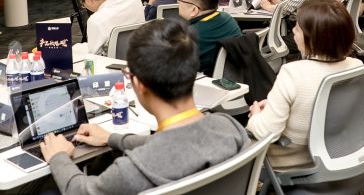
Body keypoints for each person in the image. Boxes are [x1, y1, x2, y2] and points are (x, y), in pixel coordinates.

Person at [41, 18, 249, 194]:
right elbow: (176, 143)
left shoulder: (132, 170)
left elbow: (79, 190)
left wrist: (59, 156)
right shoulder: (230, 127)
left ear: (139, 84)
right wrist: (112, 138)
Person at [246, 0, 361, 168]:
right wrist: (273, 104)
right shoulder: (357, 66)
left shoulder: (292, 73)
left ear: (314, 39)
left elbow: (267, 133)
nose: (293, 31)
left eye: (298, 28)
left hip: (295, 157)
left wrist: (256, 116)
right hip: (342, 149)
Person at [177, 0, 241, 76]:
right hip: (235, 79)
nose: (178, 1)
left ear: (194, 10)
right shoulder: (228, 18)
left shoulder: (190, 36)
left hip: (201, 82)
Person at [72, 0, 145, 55]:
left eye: (83, 4)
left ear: (87, 0)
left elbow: (95, 57)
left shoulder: (95, 21)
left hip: (116, 62)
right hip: (143, 54)